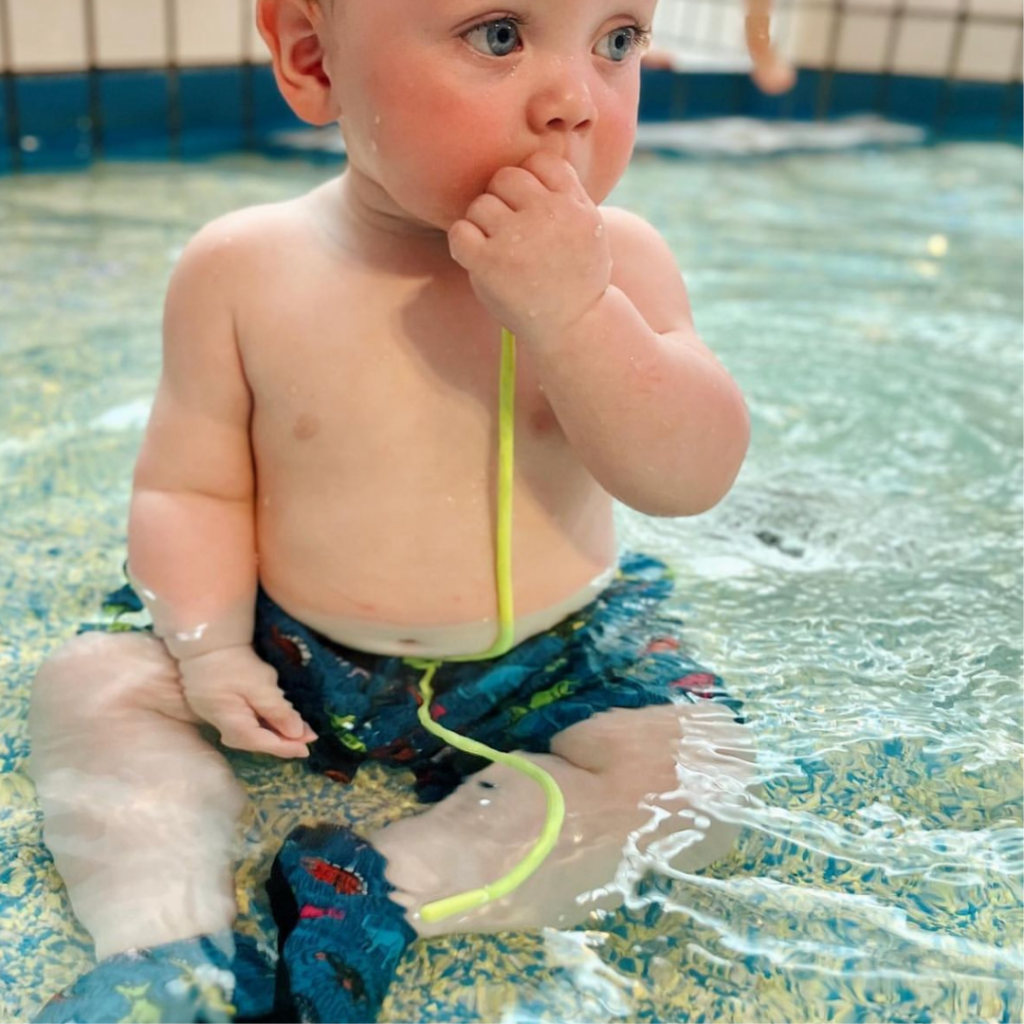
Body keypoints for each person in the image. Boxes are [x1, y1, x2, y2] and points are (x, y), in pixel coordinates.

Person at [28, 1, 757, 1021]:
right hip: (292, 645)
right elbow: (189, 486)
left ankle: (382, 889)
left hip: (553, 659)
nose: (573, 103)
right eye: (499, 35)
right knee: (93, 684)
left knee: (699, 774)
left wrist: (578, 317)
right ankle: (165, 940)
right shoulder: (242, 268)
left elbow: (688, 475)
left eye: (617, 41)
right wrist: (210, 650)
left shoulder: (620, 266)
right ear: (312, 57)